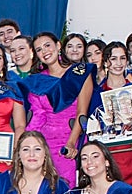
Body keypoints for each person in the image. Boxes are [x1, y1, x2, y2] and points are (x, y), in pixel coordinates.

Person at [21, 31, 94, 183]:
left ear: (58, 45)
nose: (45, 51)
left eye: (47, 45)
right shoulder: (36, 81)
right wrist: (29, 144)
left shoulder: (79, 73)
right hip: (44, 142)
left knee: (67, 189)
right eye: (39, 49)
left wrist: (71, 143)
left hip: (70, 140)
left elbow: (82, 113)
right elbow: (36, 117)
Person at [95, 41, 132, 189]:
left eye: (122, 58)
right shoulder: (95, 93)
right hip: (106, 154)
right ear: (105, 61)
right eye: (113, 58)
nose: (118, 63)